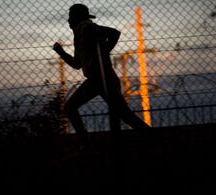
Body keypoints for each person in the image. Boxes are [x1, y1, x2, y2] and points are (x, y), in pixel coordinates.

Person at [53, 3, 150, 147]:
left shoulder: (87, 27)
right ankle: (150, 138)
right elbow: (77, 64)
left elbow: (115, 33)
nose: (68, 21)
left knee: (70, 107)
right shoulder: (79, 35)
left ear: (76, 18)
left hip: (102, 78)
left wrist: (105, 49)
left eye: (70, 17)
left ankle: (85, 144)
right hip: (99, 79)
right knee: (125, 116)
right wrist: (62, 53)